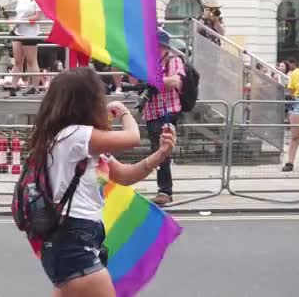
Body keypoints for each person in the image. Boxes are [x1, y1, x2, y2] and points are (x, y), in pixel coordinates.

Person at [29, 67, 176, 296]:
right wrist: (125, 112)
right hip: (74, 241)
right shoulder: (75, 136)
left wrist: (160, 154)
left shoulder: (80, 143)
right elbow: (133, 138)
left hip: (74, 241)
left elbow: (125, 176)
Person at [143, 29, 185, 206]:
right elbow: (134, 80)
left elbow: (175, 82)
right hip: (152, 112)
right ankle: (163, 189)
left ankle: (165, 191)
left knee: (163, 151)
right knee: (157, 150)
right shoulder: (150, 61)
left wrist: (153, 79)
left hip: (167, 111)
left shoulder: (173, 60)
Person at [9, 0, 45, 97]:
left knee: (31, 60)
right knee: (18, 60)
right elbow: (18, 13)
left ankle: (35, 87)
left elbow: (38, 16)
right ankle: (13, 87)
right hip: (18, 30)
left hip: (30, 32)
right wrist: (15, 21)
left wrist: (25, 20)